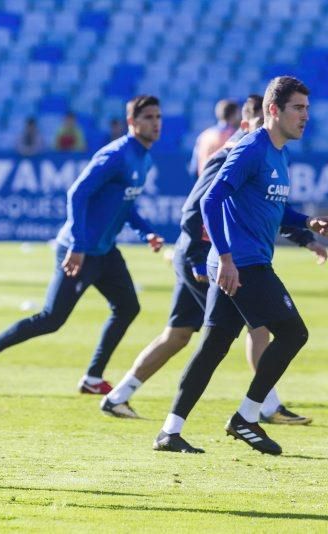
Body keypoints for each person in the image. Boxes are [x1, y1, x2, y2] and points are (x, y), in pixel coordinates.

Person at [102, 94, 323, 422]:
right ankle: (266, 407)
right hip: (209, 258)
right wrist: (195, 258)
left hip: (212, 255)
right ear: (250, 123)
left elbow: (266, 209)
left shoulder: (264, 152)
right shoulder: (235, 155)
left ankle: (119, 396)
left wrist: (305, 235)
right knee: (257, 328)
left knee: (179, 335)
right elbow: (196, 207)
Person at [154, 76, 328, 455]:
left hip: (237, 263)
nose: (305, 117)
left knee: (213, 345)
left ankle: (170, 431)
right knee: (294, 333)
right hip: (243, 263)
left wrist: (305, 223)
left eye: (307, 109)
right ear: (273, 110)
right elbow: (210, 201)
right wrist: (227, 257)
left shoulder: (279, 153)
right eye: (298, 108)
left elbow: (273, 206)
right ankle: (246, 417)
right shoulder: (252, 148)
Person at [0, 95, 165, 396]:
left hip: (104, 251)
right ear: (132, 122)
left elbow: (125, 202)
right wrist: (78, 245)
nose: (155, 123)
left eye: (158, 117)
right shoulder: (117, 154)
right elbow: (77, 194)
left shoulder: (144, 157)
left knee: (128, 307)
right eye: (148, 117)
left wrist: (146, 232)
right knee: (51, 319)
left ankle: (93, 377)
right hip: (78, 251)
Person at [189, 99, 240, 177]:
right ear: (235, 114)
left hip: (205, 183)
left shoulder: (204, 136)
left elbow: (193, 169)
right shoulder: (236, 136)